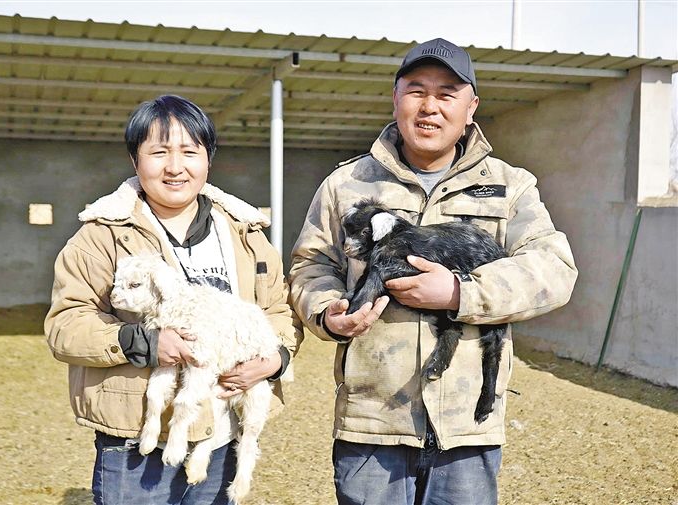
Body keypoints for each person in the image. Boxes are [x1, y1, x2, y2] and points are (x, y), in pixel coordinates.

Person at [289, 38, 577, 505]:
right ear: (395, 98)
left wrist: (461, 293)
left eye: (447, 94)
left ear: (471, 108)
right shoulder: (346, 184)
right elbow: (311, 265)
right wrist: (328, 312)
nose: (430, 107)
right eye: (417, 91)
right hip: (373, 421)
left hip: (466, 428)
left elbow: (553, 270)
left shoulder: (510, 186)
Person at [45, 94, 302, 505]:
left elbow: (277, 310)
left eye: (189, 151)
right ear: (135, 160)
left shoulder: (246, 234)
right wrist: (144, 342)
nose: (175, 167)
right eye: (159, 152)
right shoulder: (100, 237)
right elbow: (65, 325)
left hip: (221, 437)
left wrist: (276, 358)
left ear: (208, 160)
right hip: (136, 440)